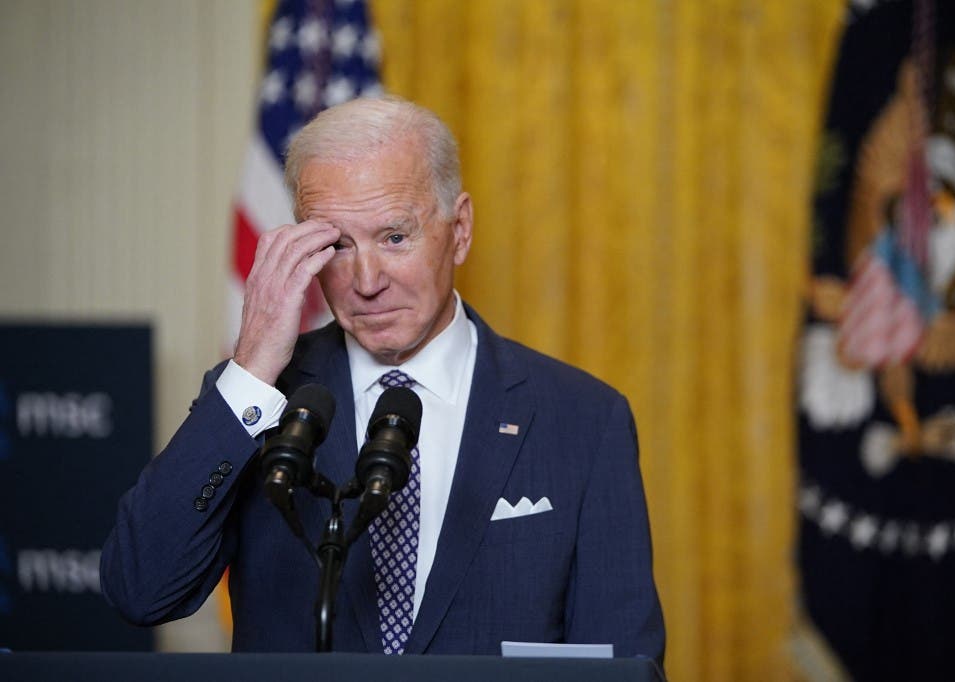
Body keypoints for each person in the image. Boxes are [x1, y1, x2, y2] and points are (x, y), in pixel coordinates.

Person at [101, 95, 665, 661]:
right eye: (338, 246)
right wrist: (250, 371)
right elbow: (142, 592)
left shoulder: (583, 419)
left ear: (460, 229)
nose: (366, 281)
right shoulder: (260, 398)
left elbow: (619, 660)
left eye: (394, 237)